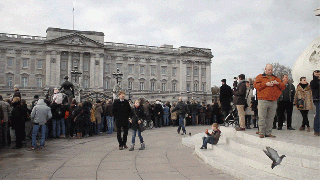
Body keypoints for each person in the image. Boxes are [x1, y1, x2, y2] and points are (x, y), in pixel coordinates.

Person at [254, 64, 285, 138]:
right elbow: (256, 86)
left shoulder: (276, 78)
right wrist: (266, 84)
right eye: (268, 70)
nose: (270, 71)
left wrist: (277, 83)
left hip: (273, 100)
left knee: (271, 118)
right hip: (263, 99)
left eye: (271, 70)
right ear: (265, 69)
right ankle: (261, 132)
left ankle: (268, 132)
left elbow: (283, 86)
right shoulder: (260, 77)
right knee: (262, 117)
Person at [310, 70, 320, 136]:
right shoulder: (313, 82)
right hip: (317, 99)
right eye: (316, 74)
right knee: (318, 114)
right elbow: (314, 86)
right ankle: (317, 130)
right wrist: (316, 78)